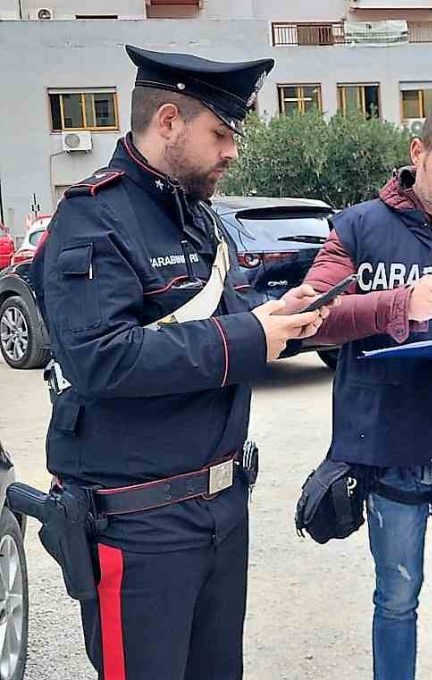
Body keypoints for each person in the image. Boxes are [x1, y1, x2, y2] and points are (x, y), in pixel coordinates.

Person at [31, 45, 328, 680]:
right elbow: (99, 358)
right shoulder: (93, 217)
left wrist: (284, 316)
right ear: (168, 121)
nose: (232, 152)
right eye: (220, 133)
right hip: (140, 523)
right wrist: (247, 338)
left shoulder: (197, 218)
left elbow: (227, 320)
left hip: (221, 508)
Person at [302, 101, 432, 680]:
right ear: (417, 153)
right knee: (395, 598)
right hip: (388, 448)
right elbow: (311, 317)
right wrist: (399, 303)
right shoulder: (358, 228)